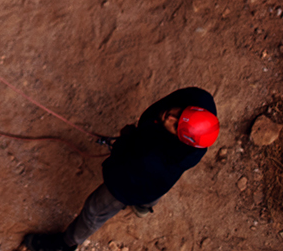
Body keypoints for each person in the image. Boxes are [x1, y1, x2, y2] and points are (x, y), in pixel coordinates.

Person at [22, 87, 219, 250]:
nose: (169, 118)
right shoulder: (200, 103)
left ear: (180, 138)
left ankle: (65, 244)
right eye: (179, 114)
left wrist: (126, 142)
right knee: (155, 191)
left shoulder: (154, 161)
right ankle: (143, 207)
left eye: (175, 126)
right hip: (156, 181)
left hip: (136, 183)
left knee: (94, 210)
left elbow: (120, 179)